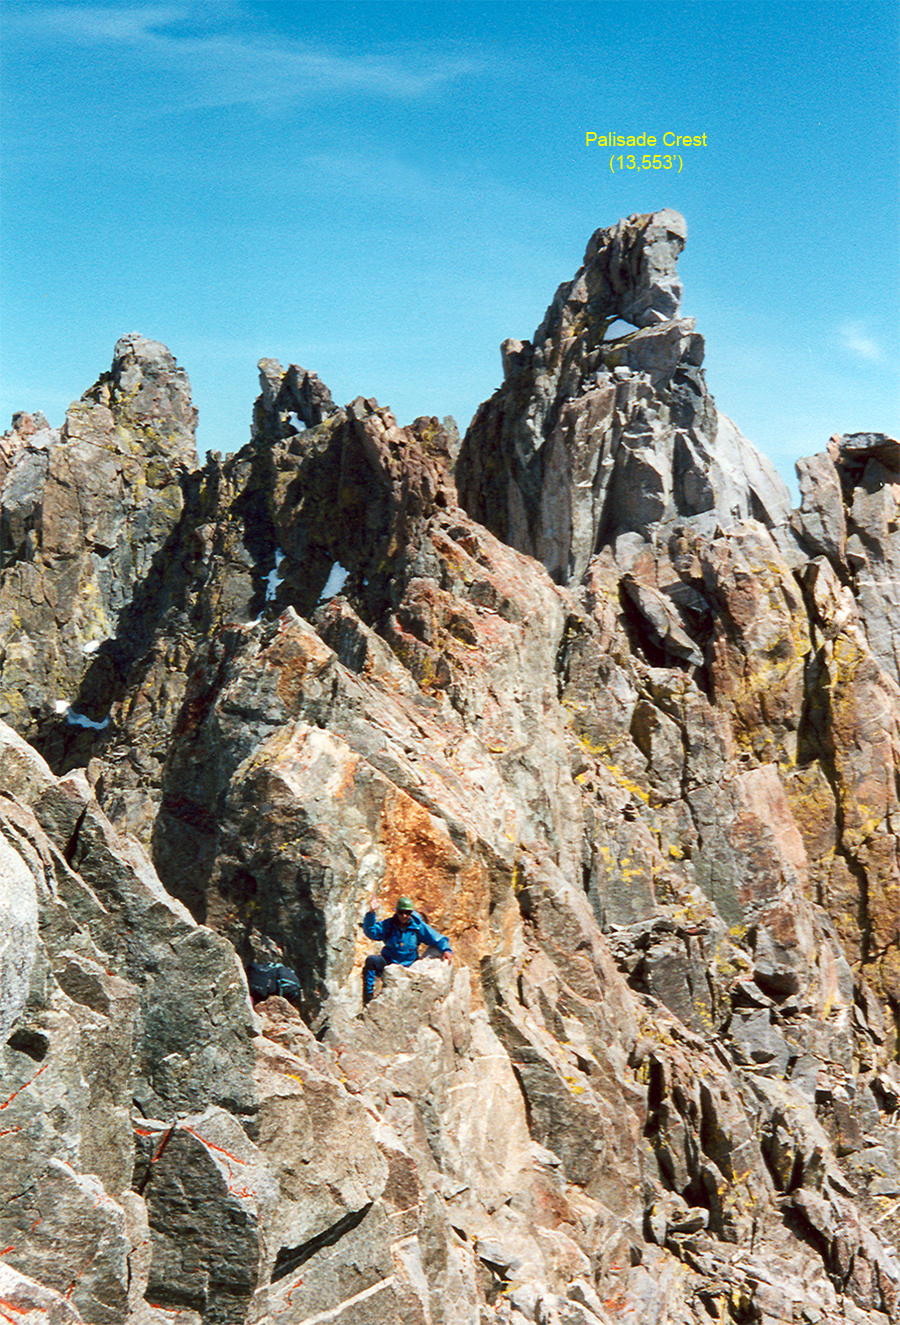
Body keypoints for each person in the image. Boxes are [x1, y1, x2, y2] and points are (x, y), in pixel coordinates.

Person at [361, 895, 452, 1006]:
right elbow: (371, 932)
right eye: (401, 912)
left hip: (409, 966)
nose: (404, 916)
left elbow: (437, 938)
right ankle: (368, 998)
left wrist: (446, 950)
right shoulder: (389, 925)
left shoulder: (417, 926)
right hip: (389, 962)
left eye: (407, 913)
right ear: (397, 912)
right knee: (371, 961)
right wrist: (371, 912)